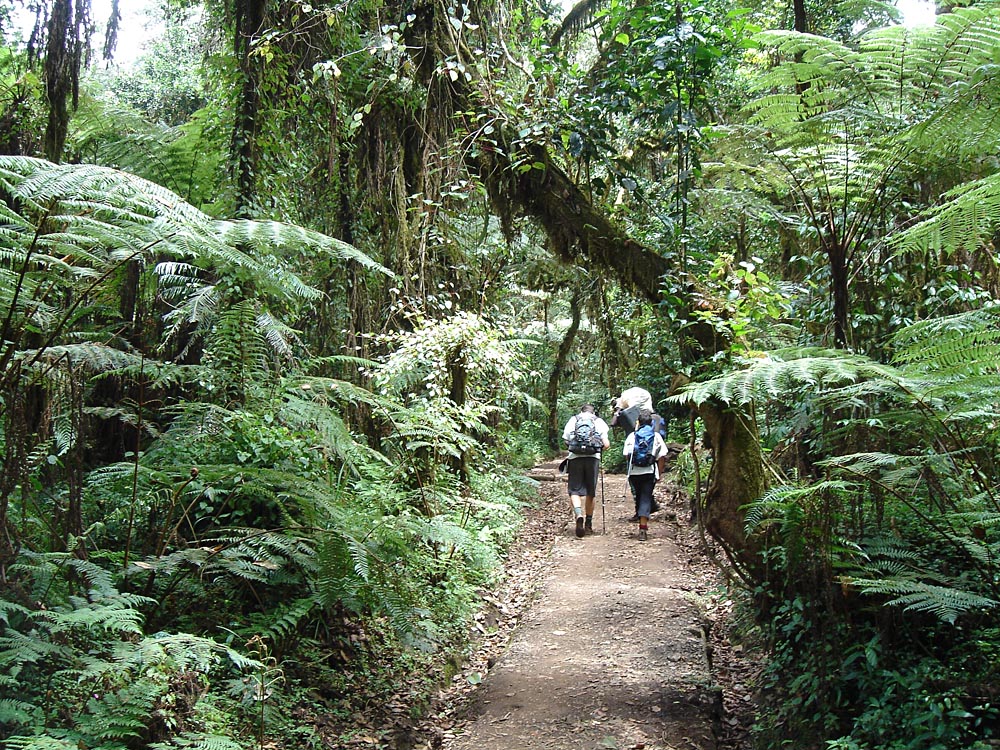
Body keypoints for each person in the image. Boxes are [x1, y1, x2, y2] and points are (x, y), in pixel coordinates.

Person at [562, 404, 611, 537]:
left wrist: (577, 446)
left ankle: (578, 514)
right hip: (592, 459)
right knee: (591, 492)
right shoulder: (598, 421)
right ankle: (588, 525)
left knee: (574, 490)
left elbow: (566, 440)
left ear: (581, 411)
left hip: (575, 459)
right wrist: (596, 448)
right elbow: (606, 444)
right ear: (593, 412)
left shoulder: (574, 420)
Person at [623, 409, 668, 541]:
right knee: (646, 497)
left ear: (638, 422)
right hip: (649, 471)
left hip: (634, 472)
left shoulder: (632, 436)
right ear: (651, 423)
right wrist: (659, 473)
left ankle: (639, 516)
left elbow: (626, 455)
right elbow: (662, 456)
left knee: (638, 495)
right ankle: (643, 527)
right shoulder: (656, 436)